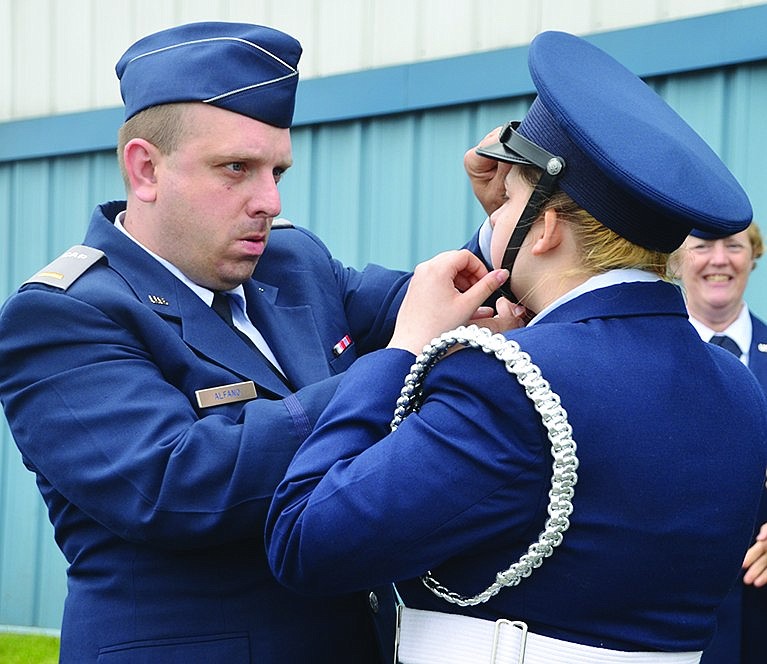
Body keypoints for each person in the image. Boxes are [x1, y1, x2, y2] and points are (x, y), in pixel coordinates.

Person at [0, 22, 506, 664]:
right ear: (145, 169)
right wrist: (396, 365)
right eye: (236, 168)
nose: (268, 200)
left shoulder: (291, 263)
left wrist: (504, 216)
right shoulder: (62, 315)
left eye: (277, 170)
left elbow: (444, 300)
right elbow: (176, 485)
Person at [265, 31, 767, 662]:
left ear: (549, 226)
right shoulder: (736, 384)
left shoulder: (507, 383)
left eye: (506, 201)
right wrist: (507, 226)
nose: (493, 215)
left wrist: (401, 350)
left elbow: (306, 541)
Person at [671, 223, 767, 663]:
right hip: (670, 610)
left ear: (753, 255)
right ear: (675, 261)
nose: (719, 259)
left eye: (733, 246)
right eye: (702, 247)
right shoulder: (646, 357)